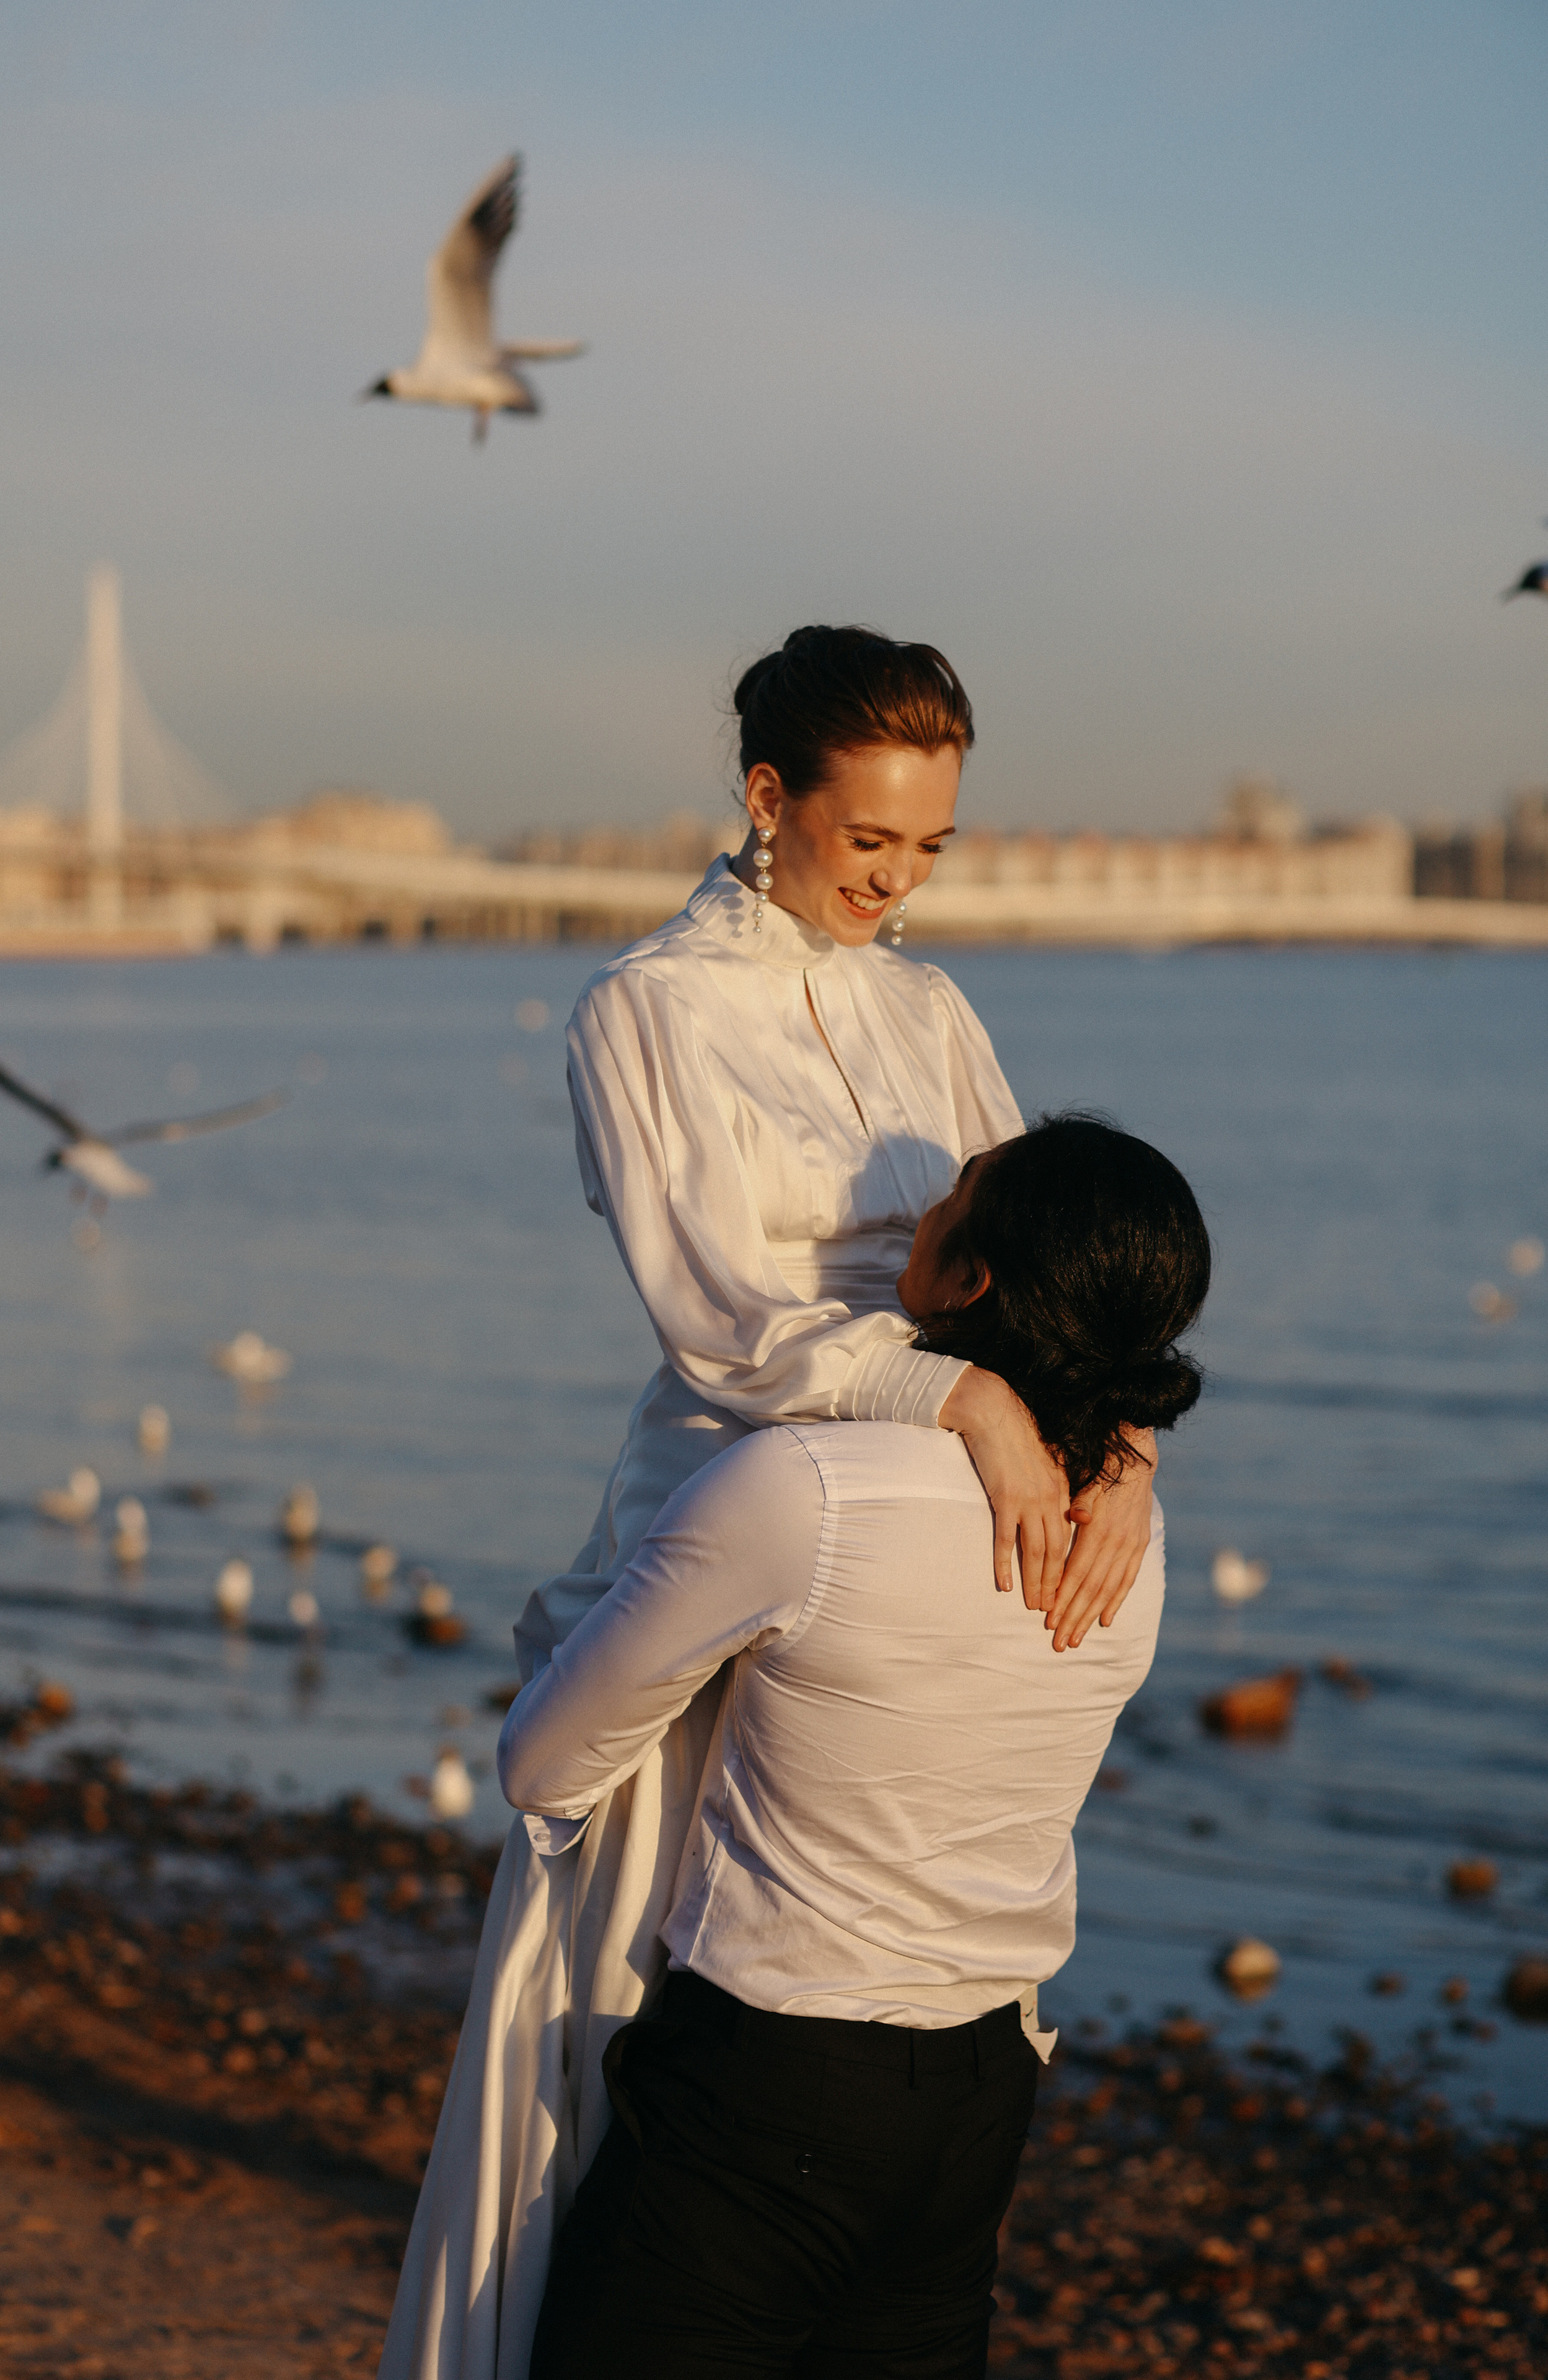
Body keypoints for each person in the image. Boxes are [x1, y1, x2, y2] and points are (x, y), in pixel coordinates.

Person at [379, 632, 1161, 2380]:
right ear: (768, 798)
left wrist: (1120, 1444)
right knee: (637, 2009)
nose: (896, 882)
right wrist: (961, 1394)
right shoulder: (645, 1010)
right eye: (869, 840)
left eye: (931, 850)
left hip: (954, 1498)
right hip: (741, 1505)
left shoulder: (933, 1008)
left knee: (879, 1943)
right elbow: (723, 1319)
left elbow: (1046, 1263)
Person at [502, 1117, 1210, 2377]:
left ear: (966, 1281)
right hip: (980, 2099)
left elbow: (543, 1767)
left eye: (953, 1196)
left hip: (773, 2087)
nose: (916, 1211)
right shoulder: (1128, 1545)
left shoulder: (806, 1491)